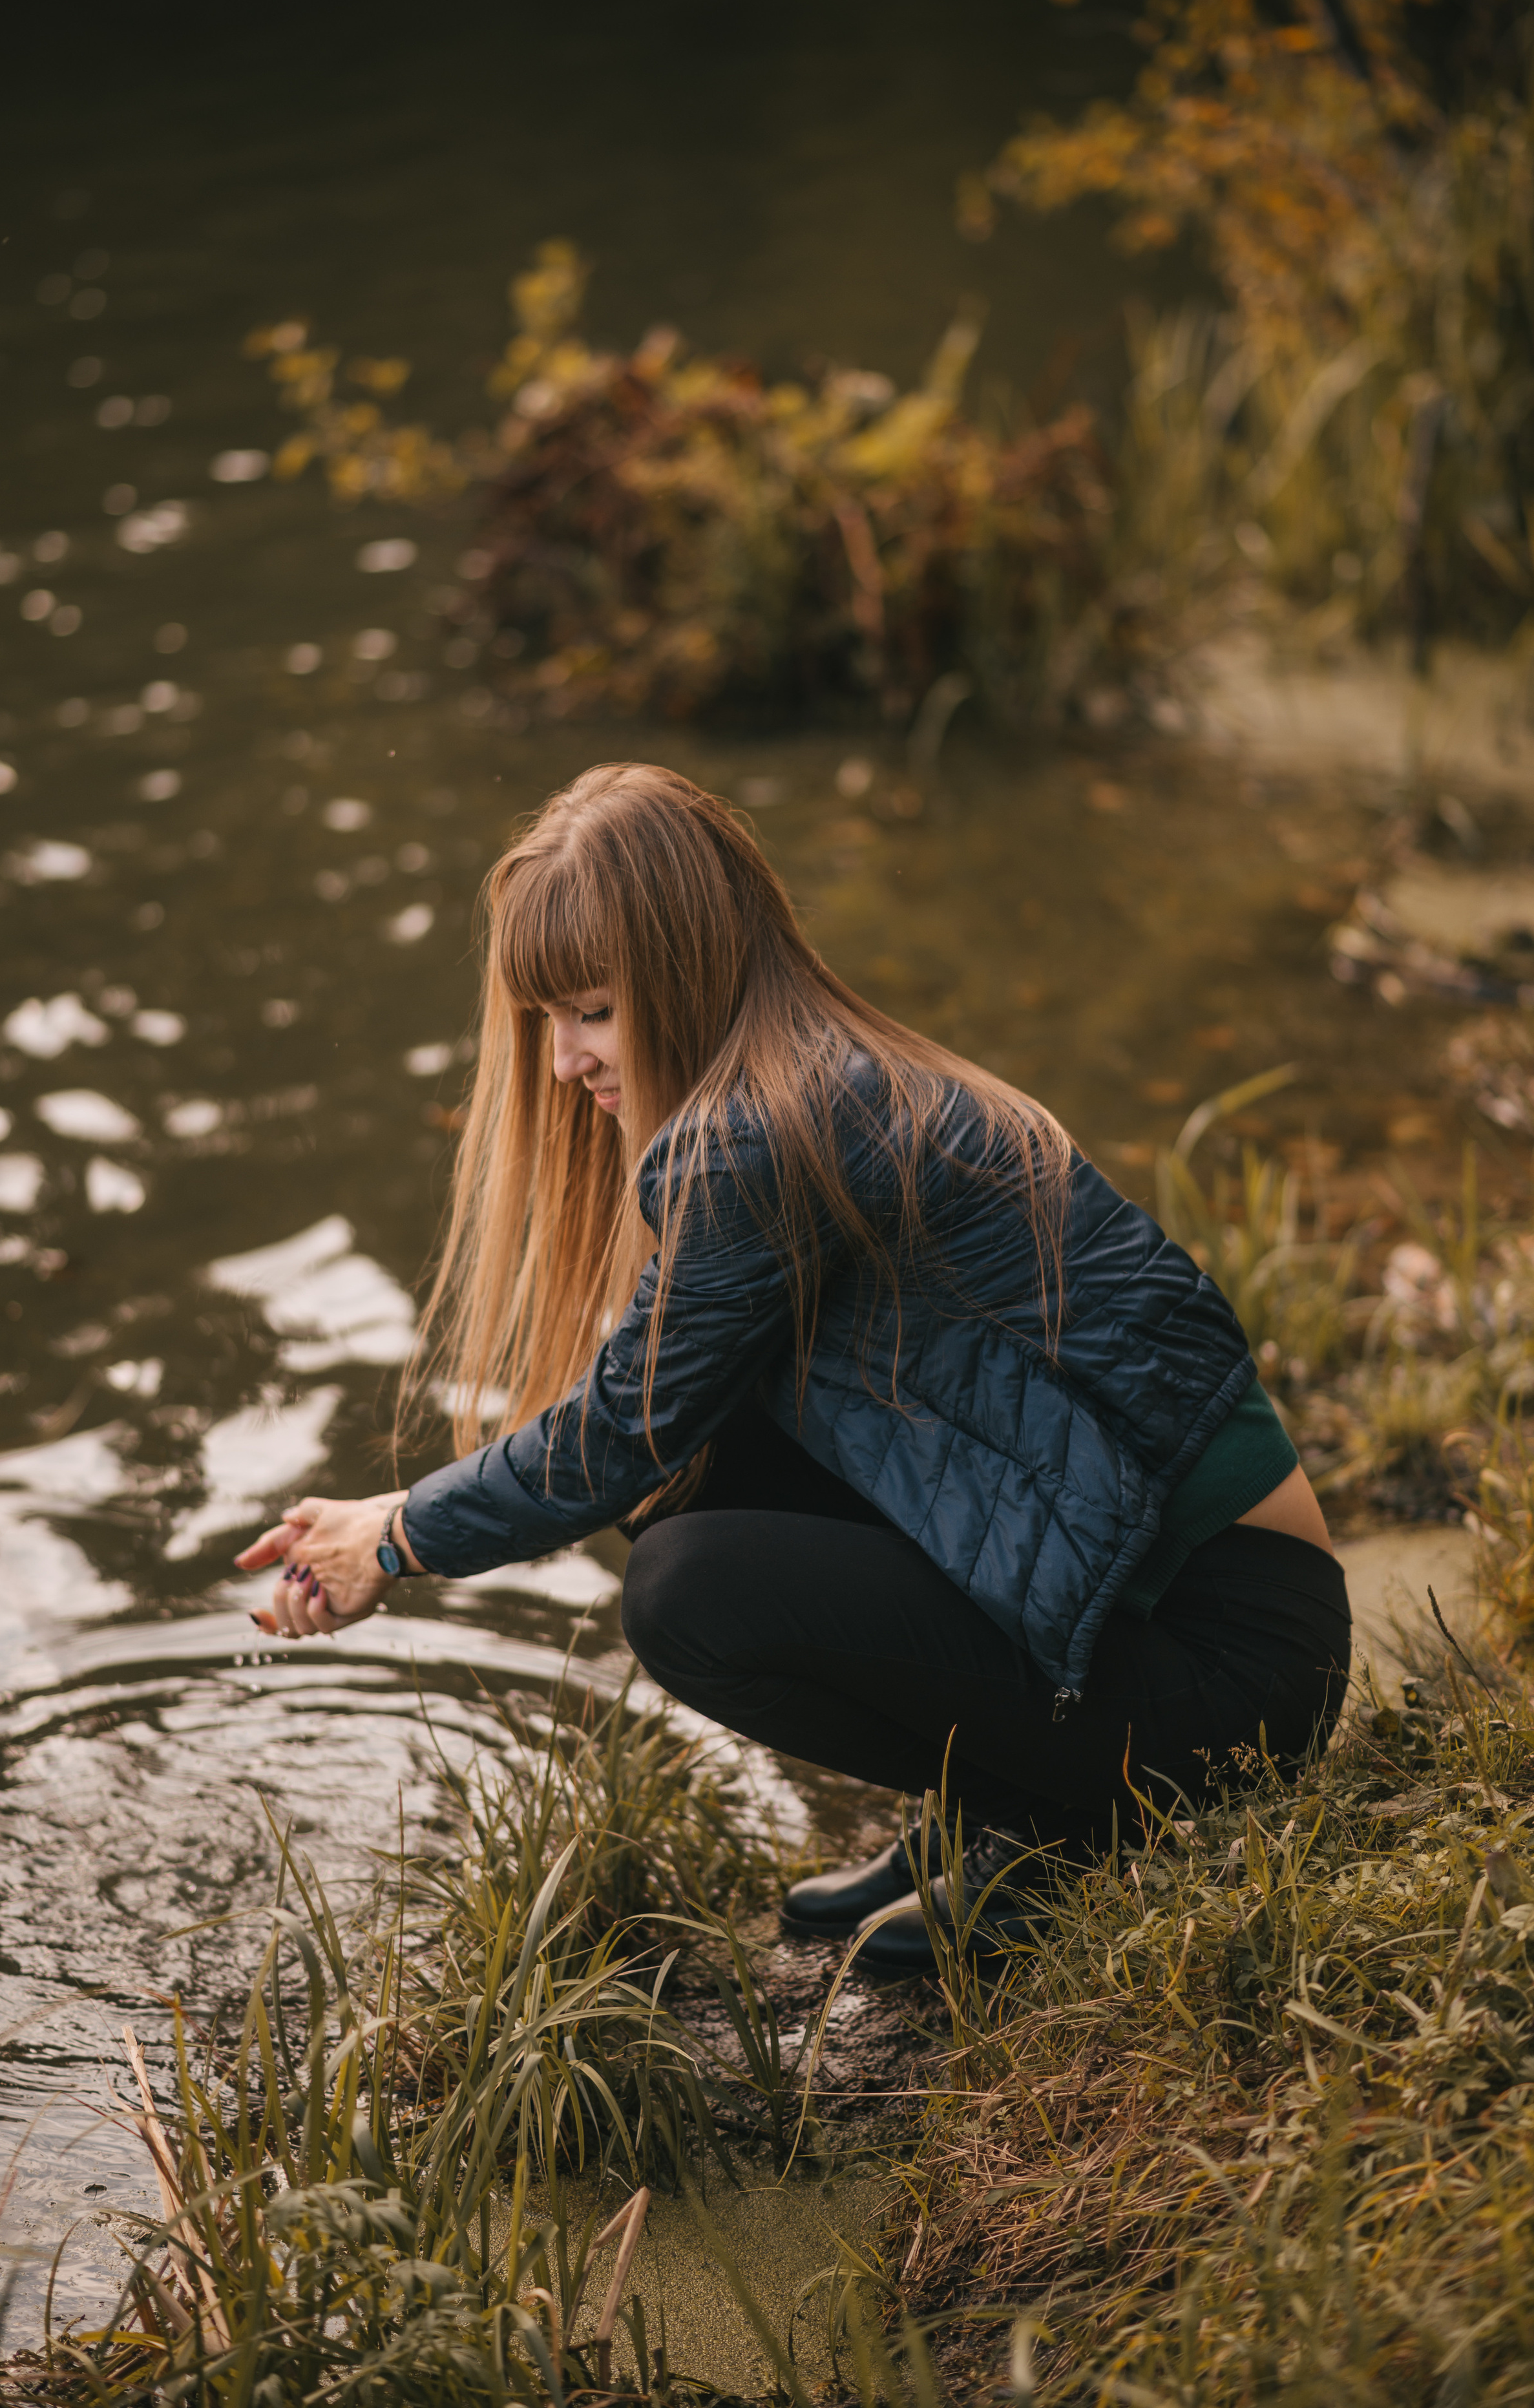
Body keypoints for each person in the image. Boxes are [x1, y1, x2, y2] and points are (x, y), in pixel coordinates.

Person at [236, 763, 1349, 1973]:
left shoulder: (768, 1135)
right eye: (548, 1019)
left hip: (1234, 1674)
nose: (562, 1063)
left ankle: (1060, 1818)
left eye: (593, 1011)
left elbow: (614, 1439)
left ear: (684, 976)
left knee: (684, 1587)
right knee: (701, 1469)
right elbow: (660, 1415)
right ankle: (1002, 1800)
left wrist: (393, 1533)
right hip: (1195, 1618)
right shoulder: (813, 1075)